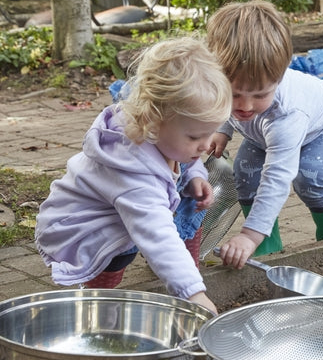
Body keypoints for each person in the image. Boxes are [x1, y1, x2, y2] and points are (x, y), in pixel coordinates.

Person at [35, 36, 233, 314]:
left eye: (210, 132)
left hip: (118, 211)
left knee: (189, 203)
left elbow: (188, 158)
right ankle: (97, 302)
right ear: (153, 121)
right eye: (195, 136)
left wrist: (195, 175)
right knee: (118, 256)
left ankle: (180, 270)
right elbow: (158, 235)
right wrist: (194, 294)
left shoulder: (164, 134)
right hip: (82, 228)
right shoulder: (134, 175)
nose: (205, 144)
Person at [206, 0, 323, 266]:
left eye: (259, 94)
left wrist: (248, 235)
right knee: (245, 171)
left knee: (308, 177)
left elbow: (277, 177)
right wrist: (223, 129)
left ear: (280, 76)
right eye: (234, 94)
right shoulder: (231, 90)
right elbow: (223, 105)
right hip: (264, 132)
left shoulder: (287, 113)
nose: (245, 105)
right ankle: (268, 250)